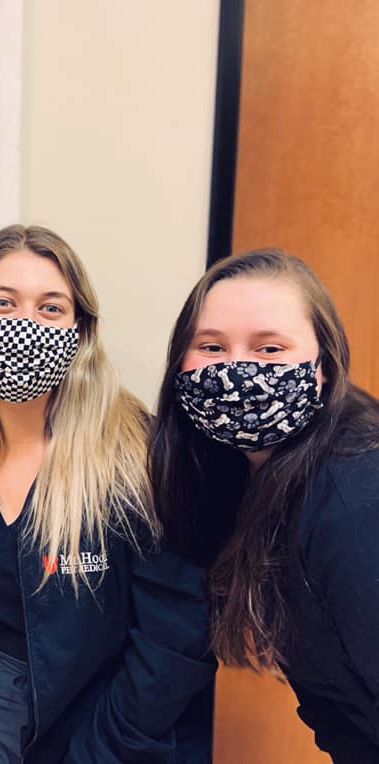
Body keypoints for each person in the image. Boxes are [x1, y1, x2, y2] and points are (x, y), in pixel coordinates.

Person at [0, 224, 216, 764]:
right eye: (3, 302)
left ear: (79, 332)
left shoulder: (135, 454)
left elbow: (176, 640)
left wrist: (100, 752)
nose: (25, 324)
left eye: (50, 308)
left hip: (112, 733)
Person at [149, 249, 379, 762]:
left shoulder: (356, 501)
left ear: (322, 367)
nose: (238, 370)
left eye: (270, 349)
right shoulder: (241, 480)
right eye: (212, 346)